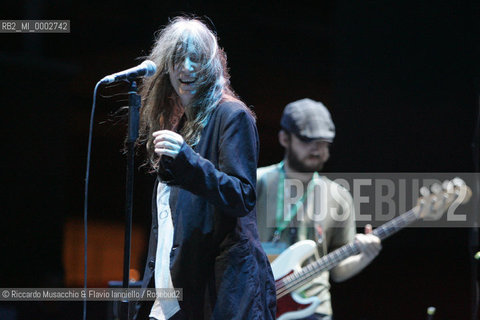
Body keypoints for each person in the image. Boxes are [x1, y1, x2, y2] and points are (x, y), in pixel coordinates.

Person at [134, 17, 276, 320]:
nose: (186, 67)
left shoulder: (231, 115)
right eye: (177, 58)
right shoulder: (181, 122)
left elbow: (242, 195)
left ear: (211, 64)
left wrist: (188, 160)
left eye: (196, 58)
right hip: (180, 289)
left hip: (224, 290)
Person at [256, 98, 382, 320]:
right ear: (284, 138)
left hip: (314, 309)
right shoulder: (257, 182)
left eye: (324, 142)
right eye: (307, 140)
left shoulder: (339, 196)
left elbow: (339, 270)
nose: (317, 148)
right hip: (257, 302)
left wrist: (365, 257)